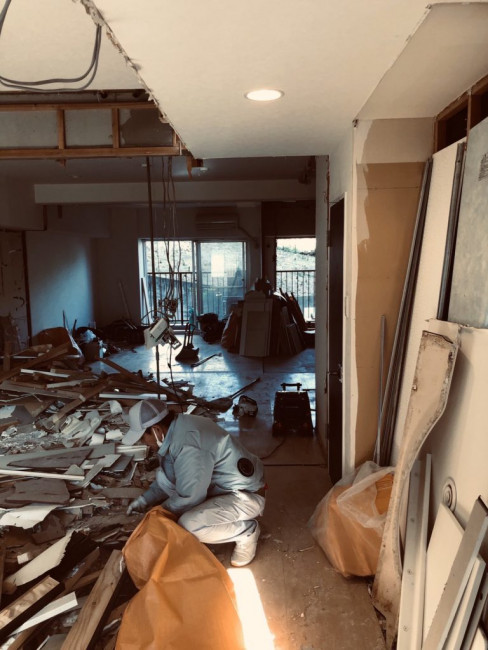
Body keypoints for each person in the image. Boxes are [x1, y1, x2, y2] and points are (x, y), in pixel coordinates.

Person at [124, 399, 266, 567]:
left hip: (247, 495)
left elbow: (189, 496)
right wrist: (145, 500)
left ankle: (247, 532)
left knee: (189, 524)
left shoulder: (189, 445)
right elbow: (170, 477)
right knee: (166, 483)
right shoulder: (177, 427)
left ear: (156, 430)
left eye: (143, 438)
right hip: (225, 486)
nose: (143, 443)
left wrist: (160, 513)